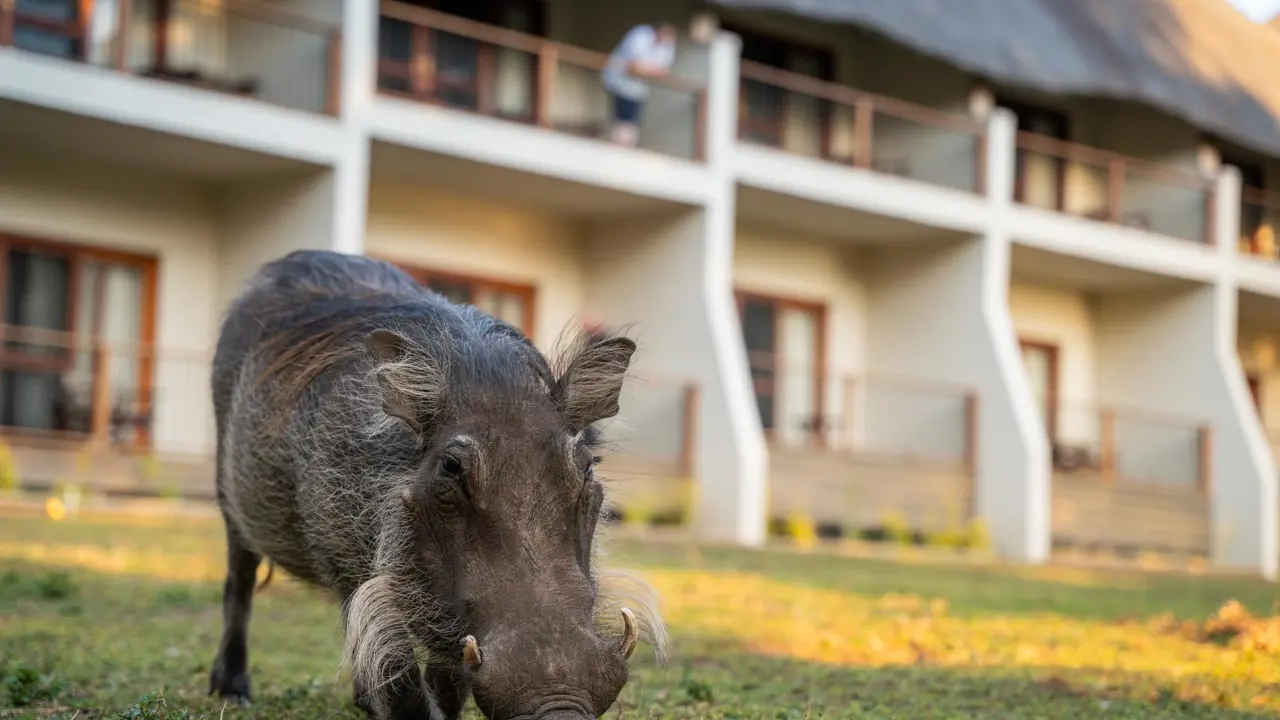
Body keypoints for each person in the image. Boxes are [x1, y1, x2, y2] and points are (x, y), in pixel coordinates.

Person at [601, 22, 679, 146]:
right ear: (658, 32)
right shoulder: (640, 35)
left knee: (633, 119)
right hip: (620, 81)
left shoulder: (668, 47)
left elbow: (663, 72)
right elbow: (633, 67)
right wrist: (649, 71)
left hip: (639, 88)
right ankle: (618, 144)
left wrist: (645, 71)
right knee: (622, 117)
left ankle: (625, 144)